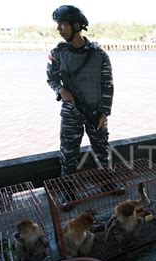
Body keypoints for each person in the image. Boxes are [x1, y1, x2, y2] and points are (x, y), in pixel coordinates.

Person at [47, 5, 114, 176]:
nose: (58, 29)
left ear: (76, 26)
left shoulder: (99, 54)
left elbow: (108, 84)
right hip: (71, 112)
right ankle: (68, 191)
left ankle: (107, 183)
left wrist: (104, 113)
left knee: (103, 152)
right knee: (68, 155)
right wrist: (61, 89)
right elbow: (51, 78)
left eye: (62, 24)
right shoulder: (57, 53)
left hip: (95, 112)